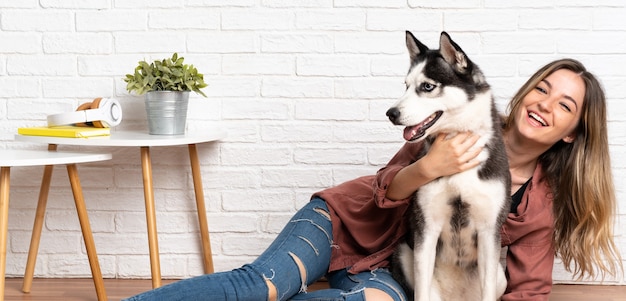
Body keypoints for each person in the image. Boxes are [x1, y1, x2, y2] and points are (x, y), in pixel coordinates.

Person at [124, 58, 622, 301]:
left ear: (573, 134)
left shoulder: (537, 204)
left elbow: (528, 288)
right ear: (523, 92)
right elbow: (387, 189)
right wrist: (427, 167)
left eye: (565, 105)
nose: (544, 104)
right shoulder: (449, 121)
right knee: (264, 285)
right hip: (347, 223)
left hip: (399, 269)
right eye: (542, 88)